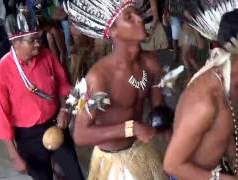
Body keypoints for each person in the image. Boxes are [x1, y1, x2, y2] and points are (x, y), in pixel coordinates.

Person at [163, 2, 238, 180]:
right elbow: (172, 165)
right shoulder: (204, 102)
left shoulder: (229, 84)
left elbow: (224, 132)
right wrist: (221, 178)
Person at [64, 0, 169, 179]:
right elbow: (81, 134)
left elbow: (160, 112)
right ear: (113, 31)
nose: (140, 18)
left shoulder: (150, 64)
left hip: (141, 152)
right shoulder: (101, 77)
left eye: (137, 13)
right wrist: (132, 128)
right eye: (129, 17)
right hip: (114, 164)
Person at [0, 11, 84, 180]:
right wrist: (14, 155)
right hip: (28, 137)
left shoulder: (47, 56)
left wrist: (64, 108)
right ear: (15, 43)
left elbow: (62, 84)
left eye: (37, 38)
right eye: (31, 40)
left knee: (74, 173)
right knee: (42, 176)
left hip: (55, 124)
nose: (37, 43)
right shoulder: (1, 71)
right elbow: (1, 118)